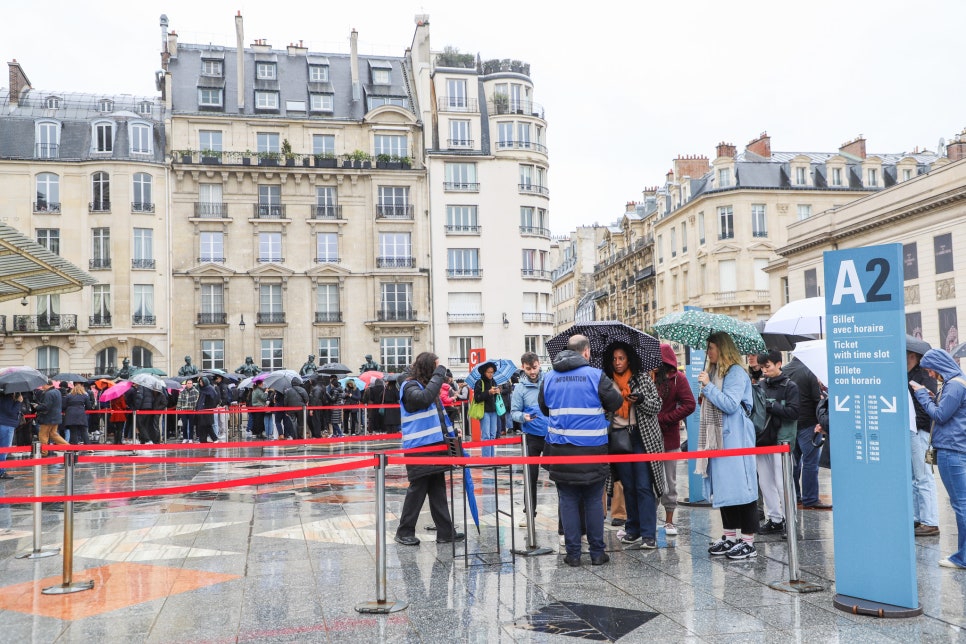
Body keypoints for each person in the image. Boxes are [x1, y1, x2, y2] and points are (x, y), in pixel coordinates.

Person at [539, 335, 623, 566]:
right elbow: (615, 403)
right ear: (585, 352)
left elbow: (545, 408)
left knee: (567, 500)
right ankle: (597, 552)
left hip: (559, 451)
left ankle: (573, 554)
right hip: (593, 450)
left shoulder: (549, 377)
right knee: (594, 500)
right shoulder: (596, 376)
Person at [697, 332, 759, 560]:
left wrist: (709, 388)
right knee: (724, 488)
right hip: (718, 439)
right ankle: (730, 536)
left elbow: (731, 405)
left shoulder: (735, 372)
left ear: (722, 349)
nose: (708, 352)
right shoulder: (715, 372)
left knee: (742, 489)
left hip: (735, 438)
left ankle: (748, 542)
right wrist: (705, 392)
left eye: (711, 347)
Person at [394, 352, 464, 546]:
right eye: (435, 367)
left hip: (434, 446)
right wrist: (439, 376)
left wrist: (451, 432)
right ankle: (404, 531)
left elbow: (438, 415)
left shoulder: (426, 387)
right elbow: (422, 400)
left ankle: (445, 532)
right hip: (420, 448)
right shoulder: (409, 386)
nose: (438, 371)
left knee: (437, 489)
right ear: (427, 368)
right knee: (417, 489)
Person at [604, 342, 666, 550]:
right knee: (628, 486)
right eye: (614, 359)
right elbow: (602, 410)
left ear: (629, 359)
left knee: (643, 485)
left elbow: (657, 405)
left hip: (642, 438)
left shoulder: (642, 378)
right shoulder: (606, 381)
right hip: (619, 437)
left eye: (621, 358)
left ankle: (649, 533)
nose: (617, 362)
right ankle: (633, 529)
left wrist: (639, 400)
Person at [910, 349, 966, 570]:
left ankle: (962, 558)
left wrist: (922, 394)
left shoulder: (954, 385)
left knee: (960, 505)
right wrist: (934, 398)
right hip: (955, 447)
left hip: (951, 450)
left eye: (931, 370)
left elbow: (940, 416)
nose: (931, 375)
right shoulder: (956, 383)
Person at [754, 350, 800, 536]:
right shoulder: (760, 385)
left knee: (783, 483)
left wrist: (772, 405)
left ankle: (791, 521)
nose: (765, 370)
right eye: (762, 367)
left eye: (768, 366)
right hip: (762, 439)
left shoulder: (790, 386)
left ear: (779, 364)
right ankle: (774, 519)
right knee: (765, 482)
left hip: (782, 439)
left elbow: (794, 412)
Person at [655, 343, 696, 535]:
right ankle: (650, 522)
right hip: (649, 438)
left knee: (670, 482)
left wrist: (666, 418)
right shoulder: (649, 377)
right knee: (651, 482)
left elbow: (689, 404)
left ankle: (669, 521)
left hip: (669, 437)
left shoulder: (678, 379)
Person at [782, 354, 830, 509]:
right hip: (808, 424)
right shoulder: (808, 371)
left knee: (793, 463)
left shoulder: (783, 370)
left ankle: (795, 496)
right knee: (810, 463)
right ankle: (810, 498)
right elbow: (817, 400)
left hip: (790, 424)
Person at [511, 352, 550, 526]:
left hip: (550, 434)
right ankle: (529, 512)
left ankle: (565, 519)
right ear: (523, 367)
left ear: (539, 364)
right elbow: (514, 412)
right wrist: (523, 417)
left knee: (559, 476)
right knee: (530, 476)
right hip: (531, 436)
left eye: (534, 368)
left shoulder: (548, 380)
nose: (532, 372)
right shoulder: (519, 388)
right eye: (528, 369)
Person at [908, 348, 940, 536]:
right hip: (912, 430)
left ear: (913, 355)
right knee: (915, 477)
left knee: (923, 476)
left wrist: (919, 426)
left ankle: (930, 521)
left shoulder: (923, 376)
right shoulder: (909, 374)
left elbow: (926, 406)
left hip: (920, 431)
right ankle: (918, 518)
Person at [473, 363, 502, 458]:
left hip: (494, 411)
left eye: (492, 372)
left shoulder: (494, 382)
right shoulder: (479, 382)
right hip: (484, 411)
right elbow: (477, 398)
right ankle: (486, 459)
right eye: (489, 372)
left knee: (492, 435)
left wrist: (498, 392)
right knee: (486, 436)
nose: (491, 374)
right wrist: (488, 392)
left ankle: (492, 458)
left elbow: (496, 397)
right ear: (484, 372)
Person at [34, 380, 68, 455]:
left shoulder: (48, 393)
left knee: (43, 434)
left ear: (47, 384)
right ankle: (67, 447)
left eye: (43, 385)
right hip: (56, 417)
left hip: (47, 417)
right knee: (53, 434)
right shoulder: (57, 391)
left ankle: (44, 452)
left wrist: (37, 406)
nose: (42, 387)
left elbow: (46, 406)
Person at [0, 392, 24, 479]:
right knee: (4, 449)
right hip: (6, 425)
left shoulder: (3, 396)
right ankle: (1, 471)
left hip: (4, 424)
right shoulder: (7, 398)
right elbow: (11, 411)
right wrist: (18, 402)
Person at [63, 383, 93, 447]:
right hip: (81, 414)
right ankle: (88, 447)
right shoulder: (85, 396)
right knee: (84, 431)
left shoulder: (69, 396)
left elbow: (64, 406)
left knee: (73, 432)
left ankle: (75, 447)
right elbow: (89, 407)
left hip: (70, 414)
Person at [195, 377, 220, 443]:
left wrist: (207, 406)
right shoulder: (202, 389)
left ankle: (215, 438)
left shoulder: (210, 389)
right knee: (202, 426)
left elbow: (214, 400)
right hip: (201, 411)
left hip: (207, 410)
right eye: (200, 382)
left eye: (201, 382)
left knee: (208, 425)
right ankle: (203, 440)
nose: (200, 383)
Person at [177, 379, 199, 443]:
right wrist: (178, 409)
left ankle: (191, 438)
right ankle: (185, 437)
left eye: (190, 383)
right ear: (186, 384)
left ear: (192, 384)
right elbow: (179, 400)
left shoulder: (196, 391)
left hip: (192, 410)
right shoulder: (182, 392)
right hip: (184, 410)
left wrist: (195, 409)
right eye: (188, 383)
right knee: (184, 424)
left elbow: (196, 401)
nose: (189, 384)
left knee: (191, 425)